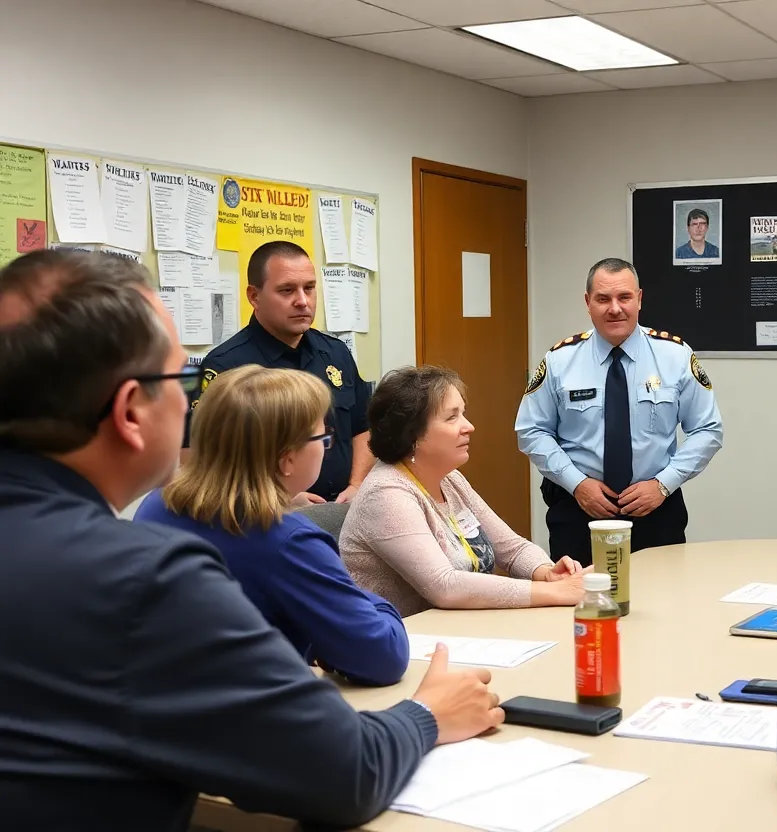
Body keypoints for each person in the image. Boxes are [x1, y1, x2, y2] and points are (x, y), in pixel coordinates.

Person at [0, 249, 504, 830]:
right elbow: (344, 773)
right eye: (182, 378)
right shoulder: (144, 579)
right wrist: (428, 714)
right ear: (130, 413)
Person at [135, 364, 408, 687]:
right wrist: (368, 599)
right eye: (323, 437)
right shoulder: (288, 541)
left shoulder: (156, 505)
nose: (325, 446)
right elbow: (383, 656)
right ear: (286, 458)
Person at [515, 257, 724, 565]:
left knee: (662, 603)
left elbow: (708, 430)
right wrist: (577, 483)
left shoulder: (675, 356)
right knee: (579, 604)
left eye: (624, 297)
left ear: (639, 299)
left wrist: (664, 483)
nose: (615, 308)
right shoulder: (560, 361)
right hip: (579, 511)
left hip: (656, 508)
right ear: (588, 303)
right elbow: (531, 431)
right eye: (603, 299)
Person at [342, 365, 588, 617]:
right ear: (412, 434)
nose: (468, 426)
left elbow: (513, 550)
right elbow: (445, 586)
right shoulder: (386, 493)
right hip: (400, 643)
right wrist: (557, 593)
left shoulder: (451, 480)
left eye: (463, 414)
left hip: (459, 632)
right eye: (451, 417)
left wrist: (546, 572)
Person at [188, 240, 370, 503]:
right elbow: (202, 461)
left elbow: (362, 426)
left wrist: (357, 483)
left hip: (346, 508)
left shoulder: (335, 353)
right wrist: (280, 499)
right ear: (254, 296)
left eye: (309, 288)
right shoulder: (225, 366)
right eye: (287, 290)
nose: (302, 301)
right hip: (268, 518)